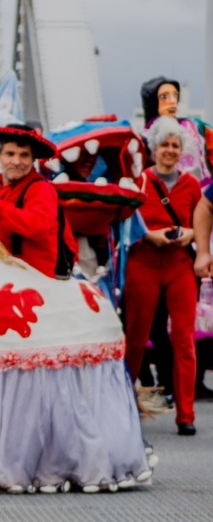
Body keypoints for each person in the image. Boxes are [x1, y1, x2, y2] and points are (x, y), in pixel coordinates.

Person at [125, 117, 199, 436]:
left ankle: (186, 414)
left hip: (179, 264)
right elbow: (125, 224)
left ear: (181, 150)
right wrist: (148, 235)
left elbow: (202, 223)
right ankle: (124, 404)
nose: (169, 150)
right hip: (143, 262)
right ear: (153, 148)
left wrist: (193, 232)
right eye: (164, 144)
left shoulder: (192, 185)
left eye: (175, 145)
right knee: (136, 337)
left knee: (184, 340)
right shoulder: (137, 182)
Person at [0, 124, 63, 278]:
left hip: (35, 284)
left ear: (32, 160)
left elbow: (38, 226)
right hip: (4, 278)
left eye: (24, 155)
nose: (16, 161)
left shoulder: (41, 189)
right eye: (10, 154)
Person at [141, 77, 213, 185]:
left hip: (204, 192)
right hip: (170, 194)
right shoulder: (144, 137)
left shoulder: (195, 125)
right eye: (164, 97)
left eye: (175, 95)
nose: (172, 101)